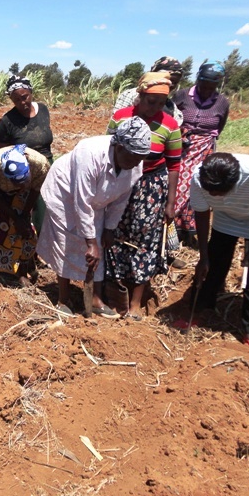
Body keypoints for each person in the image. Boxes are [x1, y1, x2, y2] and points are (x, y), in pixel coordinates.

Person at [36, 118, 151, 317]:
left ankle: (96, 299)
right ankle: (63, 298)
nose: (136, 162)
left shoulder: (135, 166)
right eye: (133, 156)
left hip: (97, 201)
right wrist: (90, 242)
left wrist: (109, 229)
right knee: (65, 244)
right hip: (65, 194)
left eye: (141, 157)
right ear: (119, 146)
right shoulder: (88, 153)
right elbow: (82, 199)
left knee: (98, 246)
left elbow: (120, 199)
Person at [105, 73, 182, 320]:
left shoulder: (170, 125)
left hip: (151, 189)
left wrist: (170, 202)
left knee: (146, 243)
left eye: (161, 103)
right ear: (140, 96)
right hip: (121, 183)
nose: (155, 109)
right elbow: (108, 150)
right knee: (114, 237)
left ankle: (136, 303)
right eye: (151, 102)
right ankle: (115, 293)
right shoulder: (120, 117)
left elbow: (173, 165)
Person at [190, 153, 249, 349]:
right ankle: (202, 308)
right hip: (225, 215)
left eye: (218, 193)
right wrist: (204, 256)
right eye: (211, 192)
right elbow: (202, 214)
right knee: (215, 261)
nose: (213, 196)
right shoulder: (199, 178)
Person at [172, 61, 230, 245]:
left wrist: (203, 138)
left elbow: (219, 126)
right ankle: (171, 225)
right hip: (181, 145)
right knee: (177, 182)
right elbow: (171, 116)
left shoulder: (222, 102)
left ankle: (188, 229)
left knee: (197, 185)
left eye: (211, 86)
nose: (206, 89)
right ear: (198, 80)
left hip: (204, 148)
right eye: (203, 85)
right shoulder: (182, 95)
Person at [0, 74, 54, 233]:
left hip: (49, 168)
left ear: (30, 92)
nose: (22, 103)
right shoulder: (7, 121)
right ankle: (33, 252)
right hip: (24, 173)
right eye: (16, 100)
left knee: (53, 212)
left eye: (24, 97)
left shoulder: (43, 110)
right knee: (34, 216)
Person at [0, 144, 50, 286]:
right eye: (16, 182)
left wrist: (24, 216)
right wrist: (14, 216)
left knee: (26, 233)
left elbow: (34, 190)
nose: (20, 185)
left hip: (25, 197)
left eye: (24, 181)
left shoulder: (39, 164)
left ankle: (22, 272)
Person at [112, 57, 184, 126]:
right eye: (169, 79)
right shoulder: (130, 95)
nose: (171, 84)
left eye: (175, 82)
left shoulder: (170, 106)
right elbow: (117, 122)